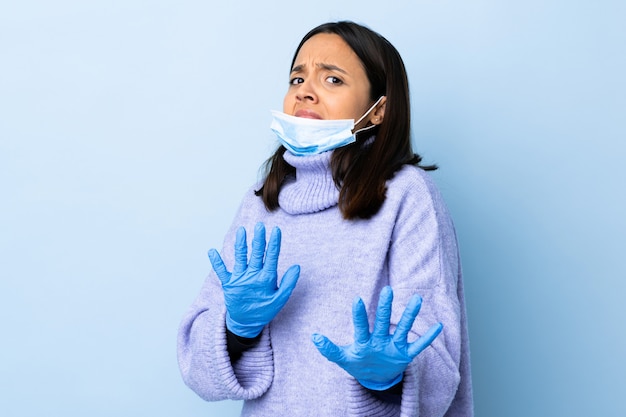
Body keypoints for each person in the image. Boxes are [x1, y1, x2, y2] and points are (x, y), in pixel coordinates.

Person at [177, 21, 473, 416]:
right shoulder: (261, 202)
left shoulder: (406, 195)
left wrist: (389, 376)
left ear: (379, 109)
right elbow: (196, 365)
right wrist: (236, 330)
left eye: (332, 79)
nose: (305, 90)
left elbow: (436, 367)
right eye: (297, 77)